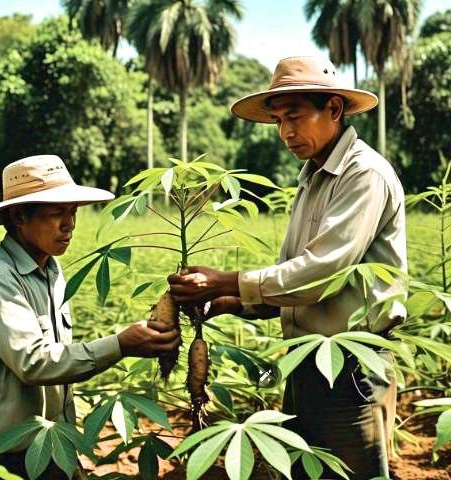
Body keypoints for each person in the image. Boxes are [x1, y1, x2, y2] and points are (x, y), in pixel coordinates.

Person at [168, 56, 407, 480]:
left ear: (333, 109)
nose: (285, 132)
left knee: (352, 473)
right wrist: (228, 301)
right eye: (277, 121)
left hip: (351, 367)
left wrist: (225, 280)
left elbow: (321, 272)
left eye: (294, 117)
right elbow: (290, 276)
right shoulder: (313, 175)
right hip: (306, 362)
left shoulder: (363, 175)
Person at [0, 155, 180, 479]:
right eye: (56, 214)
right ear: (19, 215)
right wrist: (121, 344)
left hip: (49, 444)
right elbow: (34, 363)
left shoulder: (51, 270)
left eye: (73, 212)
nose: (70, 224)